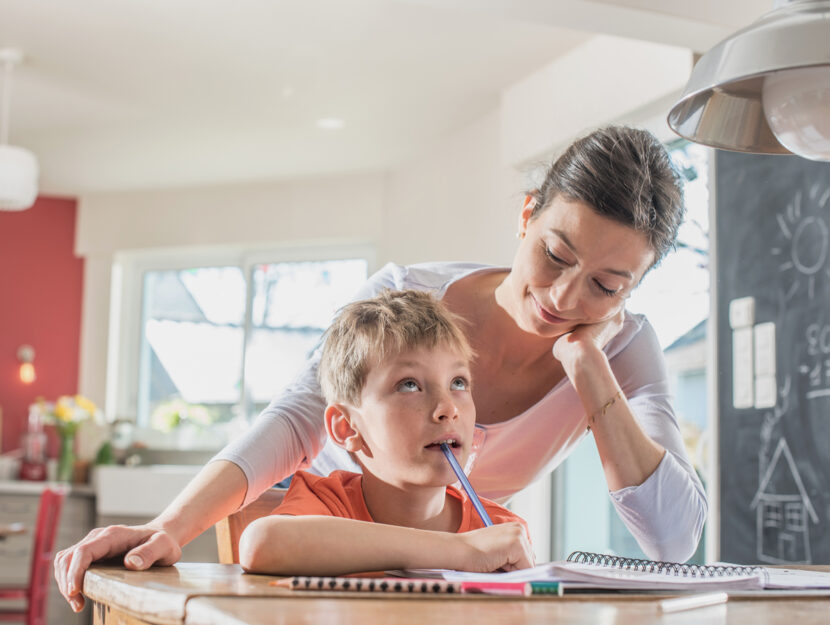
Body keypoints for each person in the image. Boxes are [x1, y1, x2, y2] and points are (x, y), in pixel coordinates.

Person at [56, 126, 707, 612]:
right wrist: (168, 527)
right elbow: (297, 419)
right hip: (326, 571)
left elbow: (674, 542)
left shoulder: (621, 350)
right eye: (557, 254)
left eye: (607, 284)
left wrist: (590, 369)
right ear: (528, 214)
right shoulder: (407, 296)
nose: (566, 298)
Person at [239, 289, 534, 575]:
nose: (447, 408)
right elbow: (261, 544)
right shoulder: (327, 504)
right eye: (409, 385)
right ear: (346, 427)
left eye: (458, 382)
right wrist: (459, 551)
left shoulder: (499, 530)